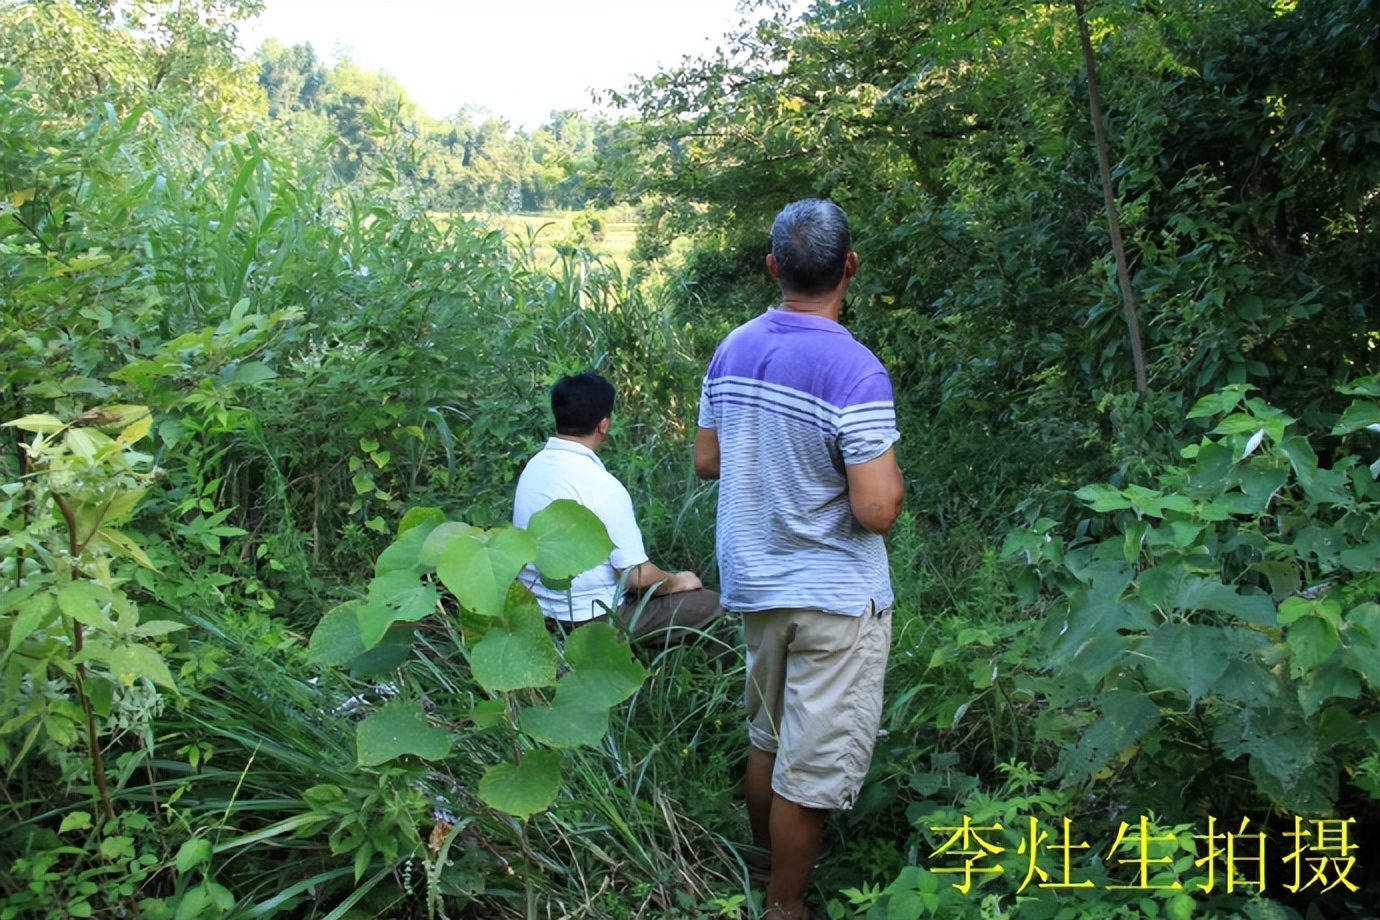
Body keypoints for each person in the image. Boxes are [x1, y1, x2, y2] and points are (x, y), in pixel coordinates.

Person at [693, 199, 904, 920]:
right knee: (807, 772)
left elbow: (707, 459)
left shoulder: (734, 347)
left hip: (756, 581)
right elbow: (876, 509)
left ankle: (761, 869)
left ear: (773, 266)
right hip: (834, 598)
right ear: (850, 266)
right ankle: (785, 907)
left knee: (768, 739)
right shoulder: (854, 370)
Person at [513, 371, 722, 645]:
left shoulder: (534, 468)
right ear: (604, 425)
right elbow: (637, 576)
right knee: (713, 605)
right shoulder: (602, 486)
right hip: (589, 617)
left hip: (537, 610)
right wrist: (678, 581)